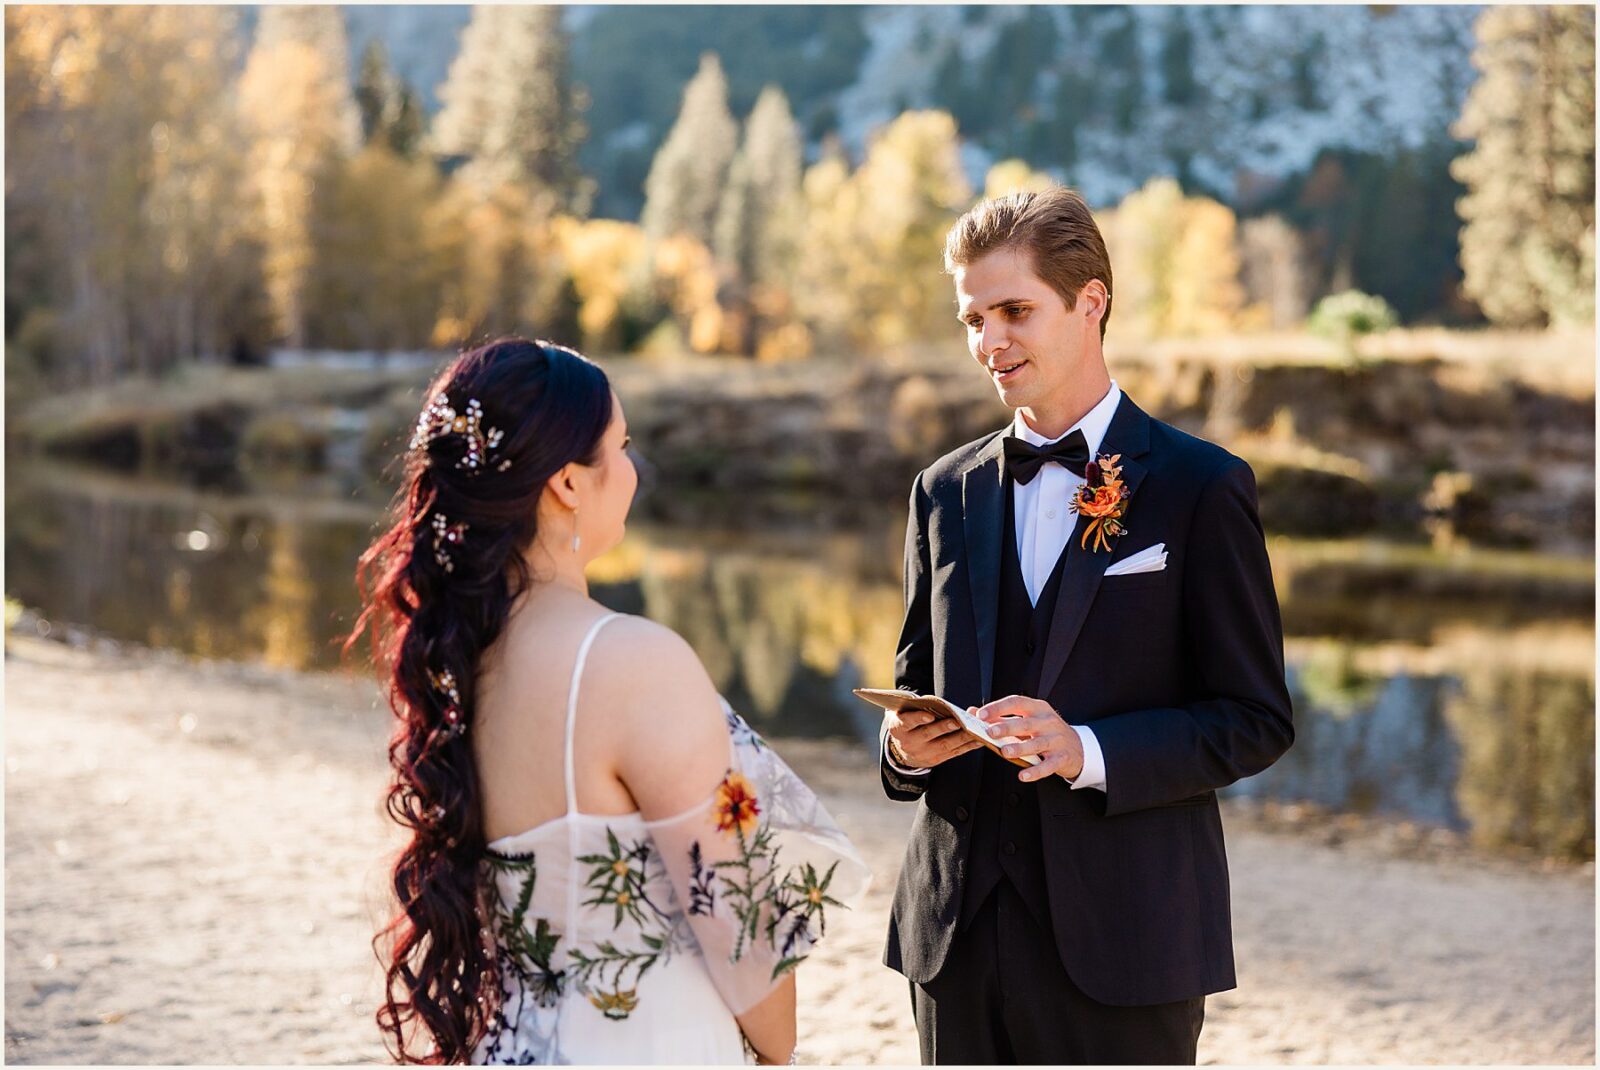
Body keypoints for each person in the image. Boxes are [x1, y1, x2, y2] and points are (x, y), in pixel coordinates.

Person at [350, 338, 869, 1065]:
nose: (631, 471)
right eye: (621, 447)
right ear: (567, 483)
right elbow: (755, 977)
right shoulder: (631, 663)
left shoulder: (459, 665)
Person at [879, 187, 1295, 1064]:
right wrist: (903, 751)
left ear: (1090, 301)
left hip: (1127, 939)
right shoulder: (941, 492)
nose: (990, 343)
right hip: (952, 940)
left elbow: (1254, 720)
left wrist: (1087, 752)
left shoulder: (1200, 487)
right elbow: (912, 683)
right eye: (973, 318)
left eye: (1014, 311)